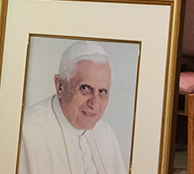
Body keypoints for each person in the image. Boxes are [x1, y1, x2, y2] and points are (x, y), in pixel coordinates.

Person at [19, 41, 127, 174]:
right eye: (85, 88)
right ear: (60, 86)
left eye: (102, 91)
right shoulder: (27, 132)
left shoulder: (106, 134)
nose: (94, 103)